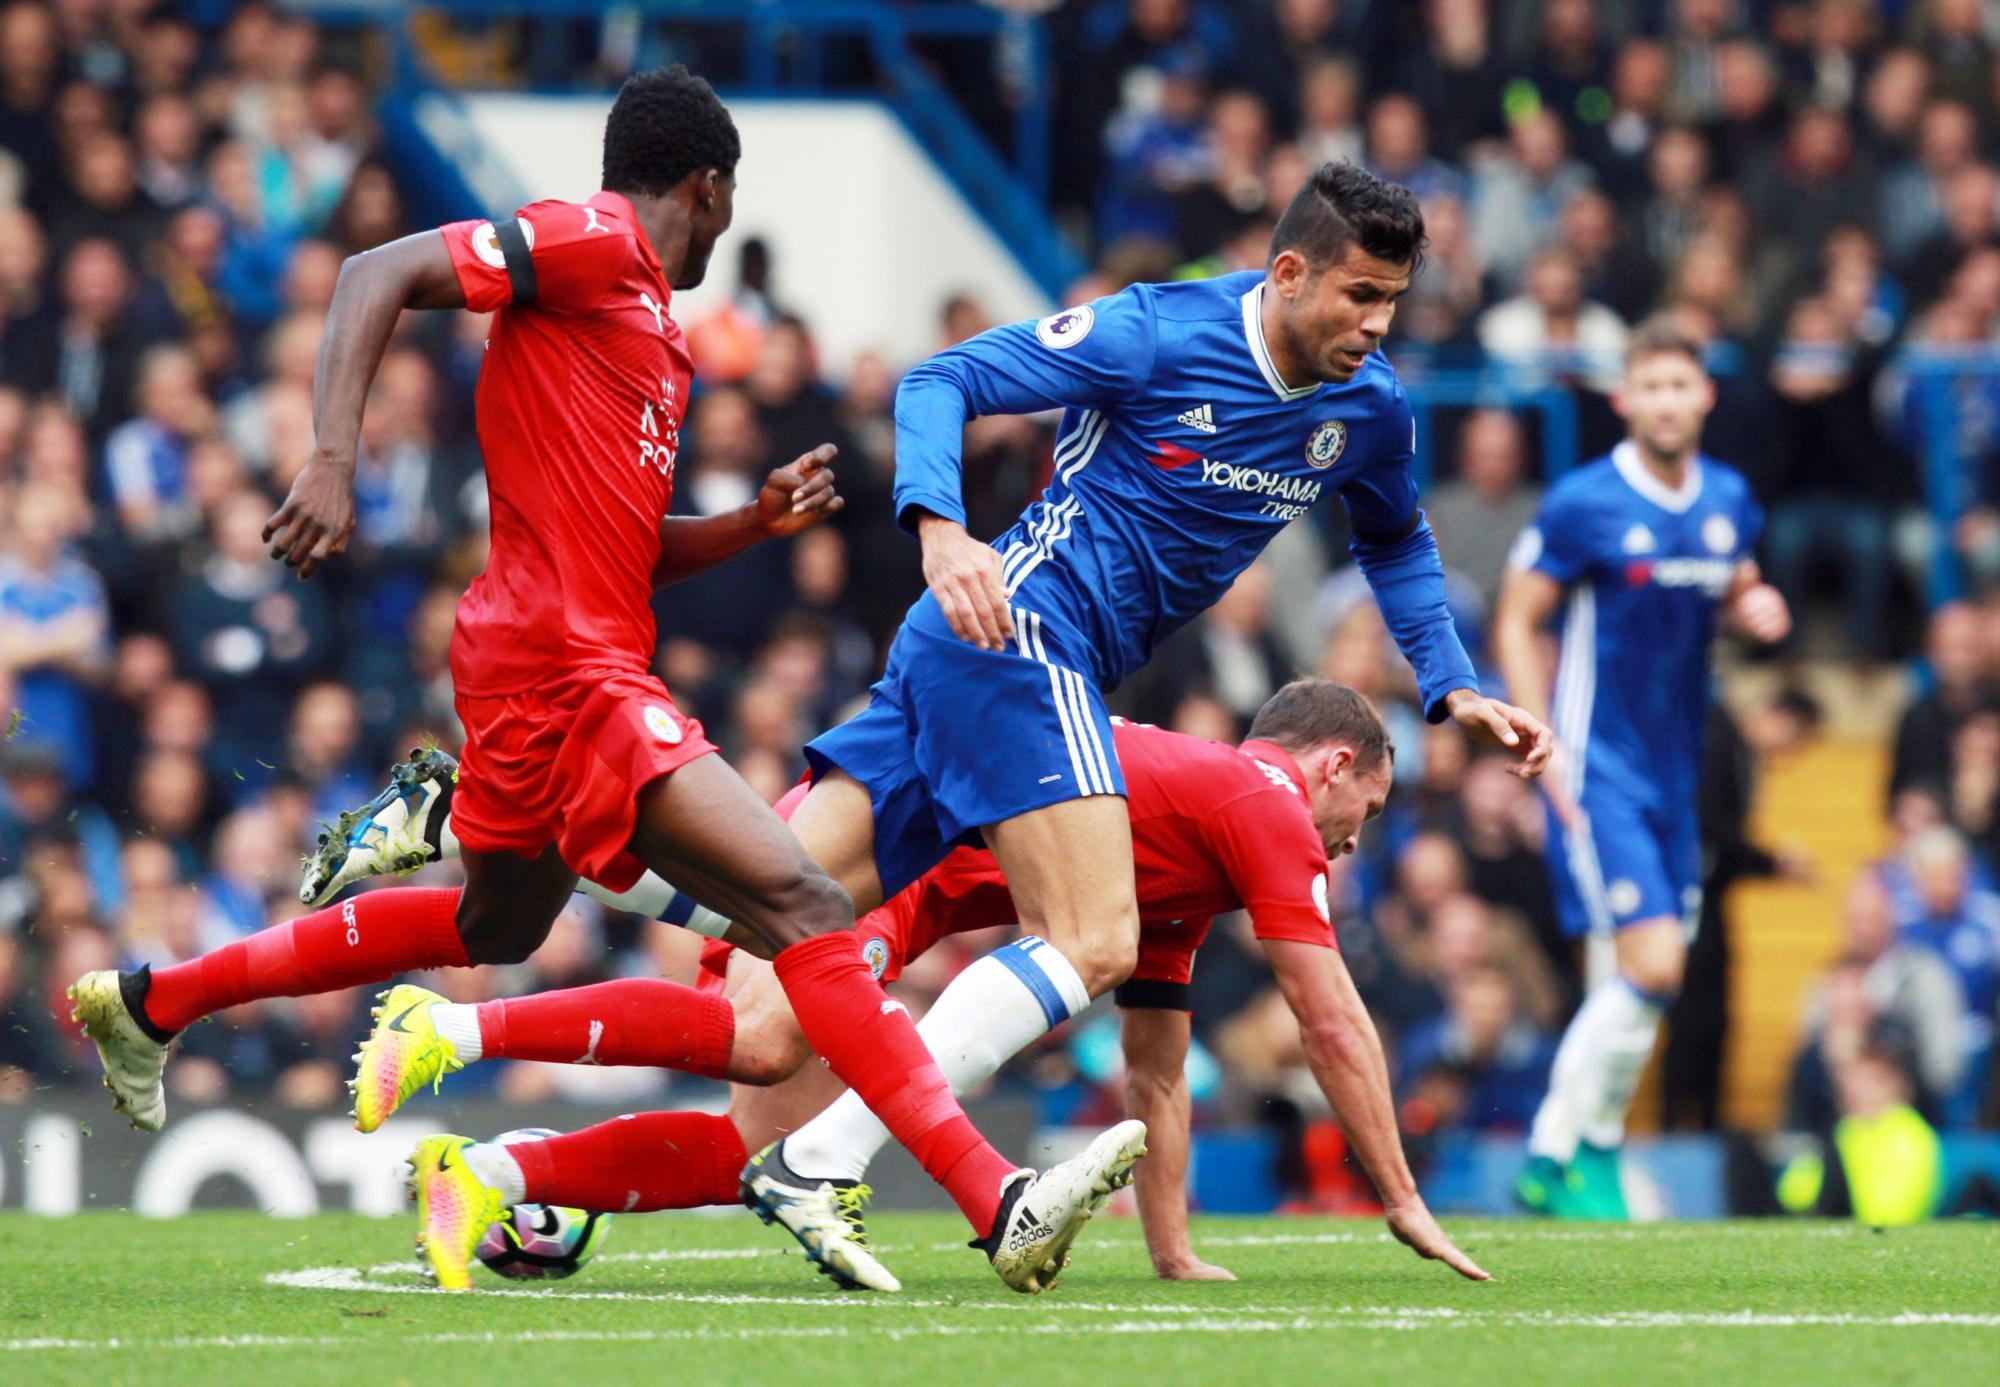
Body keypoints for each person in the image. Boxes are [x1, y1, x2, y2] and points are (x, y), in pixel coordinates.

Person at [66, 66, 1142, 1299]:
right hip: (570, 673)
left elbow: (623, 543)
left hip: (546, 665)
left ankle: (155, 1000)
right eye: (726, 209)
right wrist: (329, 460)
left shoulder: (645, 326)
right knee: (798, 901)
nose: (724, 231)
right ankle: (989, 1193)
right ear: (709, 186)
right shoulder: (590, 240)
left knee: (497, 924)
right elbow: (378, 273)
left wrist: (745, 523)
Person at [724, 159, 1547, 1283]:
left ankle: (514, 1106)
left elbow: (1394, 541)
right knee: (1096, 937)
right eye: (1359, 294)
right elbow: (939, 381)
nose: (1376, 323)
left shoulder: (1369, 408)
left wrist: (1448, 681)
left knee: (763, 970)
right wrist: (939, 527)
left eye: (1392, 300)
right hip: (1019, 632)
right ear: (1290, 270)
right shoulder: (1157, 333)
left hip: (975, 661)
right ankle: (824, 1157)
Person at [320, 678, 1485, 1283]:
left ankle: (486, 1172)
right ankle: (461, 911)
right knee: (762, 1039)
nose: (1352, 841)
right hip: (872, 856)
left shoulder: (1183, 861)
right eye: (1364, 812)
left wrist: (1170, 1251)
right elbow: (1328, 1016)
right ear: (1332, 766)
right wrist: (1401, 1195)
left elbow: (1156, 1071)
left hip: (890, 884)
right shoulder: (1262, 803)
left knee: (752, 1146)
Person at [1492, 316, 1791, 1219]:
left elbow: (1732, 586)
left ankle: (1579, 1156)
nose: (1666, 402)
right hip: (1598, 768)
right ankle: (1563, 1152)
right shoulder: (1585, 502)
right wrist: (1532, 733)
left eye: (1680, 386)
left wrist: (1757, 608)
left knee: (1646, 973)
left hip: (1679, 774)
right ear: (1625, 401)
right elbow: (1516, 616)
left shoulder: (1729, 499)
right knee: (1653, 964)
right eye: (1649, 387)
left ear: (1703, 397)